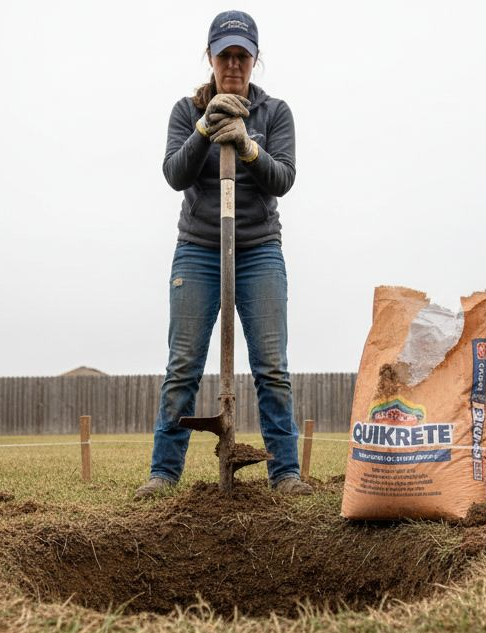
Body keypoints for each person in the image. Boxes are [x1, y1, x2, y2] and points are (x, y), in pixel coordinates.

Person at [134, 10, 311, 500]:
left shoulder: (275, 113)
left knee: (272, 366)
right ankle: (164, 473)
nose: (233, 64)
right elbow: (175, 174)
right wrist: (205, 130)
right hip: (198, 250)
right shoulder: (184, 110)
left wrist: (250, 148)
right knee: (184, 365)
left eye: (242, 55)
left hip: (257, 251)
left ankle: (286, 473)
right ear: (209, 57)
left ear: (255, 60)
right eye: (224, 54)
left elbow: (284, 178)